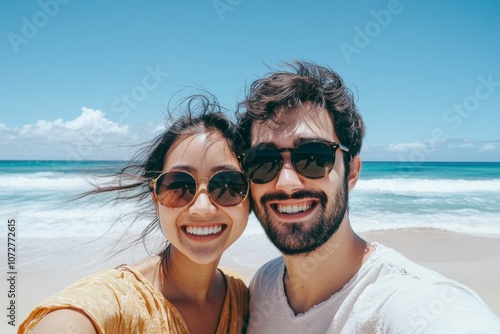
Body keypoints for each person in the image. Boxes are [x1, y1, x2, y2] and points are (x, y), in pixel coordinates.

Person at [236, 61, 500, 333]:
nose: (287, 183)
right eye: (263, 161)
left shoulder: (408, 300)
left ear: (352, 171)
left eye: (313, 157)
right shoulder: (263, 285)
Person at [20, 95, 250, 334]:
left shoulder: (242, 295)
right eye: (179, 185)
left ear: (250, 199)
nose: (202, 207)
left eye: (227, 185)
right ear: (155, 199)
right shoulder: (119, 301)